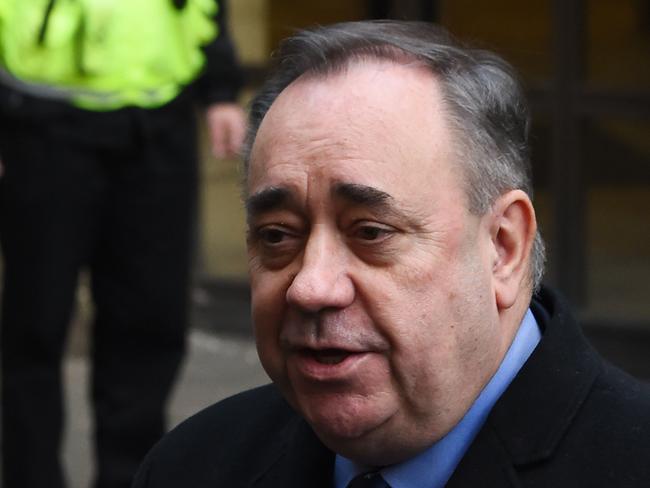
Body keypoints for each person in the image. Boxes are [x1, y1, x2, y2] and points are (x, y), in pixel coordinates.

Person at [132, 20, 650, 488]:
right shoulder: (191, 466)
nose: (311, 287)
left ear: (503, 248)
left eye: (371, 232)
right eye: (276, 236)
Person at [0, 1, 244, 487]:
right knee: (34, 326)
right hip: (39, 124)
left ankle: (131, 478)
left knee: (150, 322)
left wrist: (219, 87)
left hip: (157, 123)